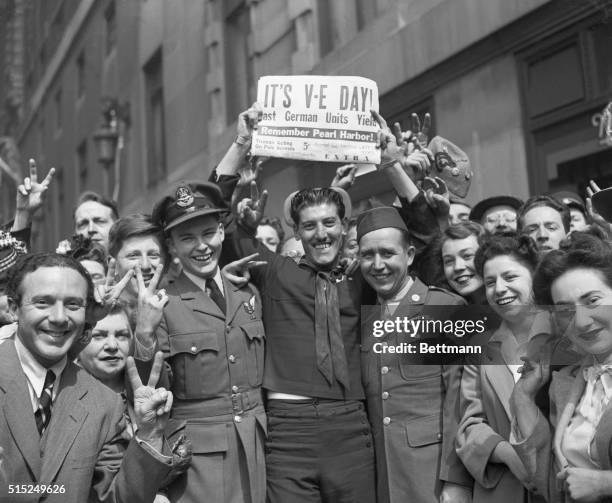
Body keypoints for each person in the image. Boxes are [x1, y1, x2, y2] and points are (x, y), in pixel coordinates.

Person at [0, 252, 174, 503]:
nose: (59, 317)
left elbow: (118, 499)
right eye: (43, 303)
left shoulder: (103, 404)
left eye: (73, 305)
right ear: (14, 308)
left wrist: (149, 436)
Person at [135, 181, 266, 503]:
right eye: (187, 238)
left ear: (222, 231)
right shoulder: (162, 303)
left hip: (255, 445)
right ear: (172, 245)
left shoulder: (248, 293)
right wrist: (144, 334)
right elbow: (146, 386)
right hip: (199, 456)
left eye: (208, 233)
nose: (201, 246)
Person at [358, 206, 472, 503]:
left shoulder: (444, 307)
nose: (377, 264)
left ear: (409, 256)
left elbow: (459, 401)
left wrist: (456, 479)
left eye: (387, 253)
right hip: (382, 477)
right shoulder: (364, 318)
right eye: (367, 255)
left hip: (432, 474)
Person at [510, 232, 612, 502]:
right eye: (565, 310)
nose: (581, 321)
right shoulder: (566, 383)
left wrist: (605, 484)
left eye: (592, 301)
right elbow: (551, 486)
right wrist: (523, 398)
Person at [456, 234, 544, 503]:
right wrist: (506, 453)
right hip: (506, 488)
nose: (500, 289)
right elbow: (470, 424)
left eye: (510, 277)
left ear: (534, 276)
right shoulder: (480, 346)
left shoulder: (567, 334)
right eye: (491, 282)